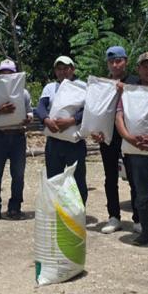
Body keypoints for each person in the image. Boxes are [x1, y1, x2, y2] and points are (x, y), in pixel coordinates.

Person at [115, 52, 148, 245]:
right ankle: (146, 231)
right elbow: (119, 117)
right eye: (144, 66)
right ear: (138, 69)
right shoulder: (128, 92)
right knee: (142, 194)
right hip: (136, 150)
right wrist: (129, 137)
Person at [93, 46, 141, 234]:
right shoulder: (102, 85)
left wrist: (127, 91)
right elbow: (96, 110)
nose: (115, 64)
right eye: (111, 61)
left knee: (133, 177)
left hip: (130, 135)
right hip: (108, 136)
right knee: (110, 177)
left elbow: (143, 102)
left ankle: (138, 218)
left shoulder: (135, 82)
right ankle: (114, 216)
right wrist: (95, 131)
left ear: (126, 61)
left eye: (118, 60)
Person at [0, 59, 32, 223]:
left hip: (18, 136)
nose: (6, 75)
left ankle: (15, 208)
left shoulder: (23, 93)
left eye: (9, 72)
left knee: (18, 175)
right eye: (3, 72)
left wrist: (27, 119)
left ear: (15, 74)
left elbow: (30, 112)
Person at [36, 56, 88, 203]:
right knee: (54, 180)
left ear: (73, 69)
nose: (62, 72)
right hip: (54, 141)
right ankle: (56, 213)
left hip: (75, 142)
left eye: (66, 68)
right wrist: (46, 120)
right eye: (59, 68)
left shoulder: (82, 86)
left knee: (78, 180)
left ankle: (78, 214)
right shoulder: (49, 88)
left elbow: (88, 110)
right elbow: (40, 108)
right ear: (55, 71)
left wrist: (72, 120)